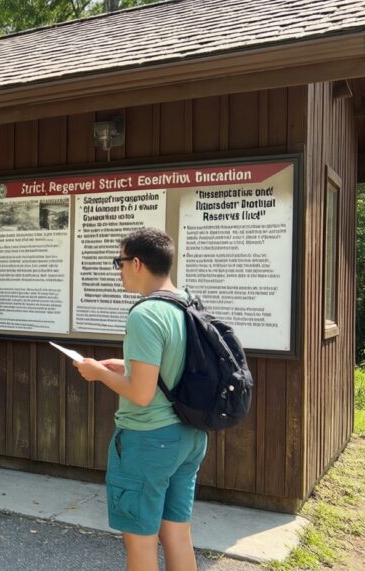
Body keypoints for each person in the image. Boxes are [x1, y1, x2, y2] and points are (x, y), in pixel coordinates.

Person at [73, 228, 208, 571]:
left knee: (141, 540)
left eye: (119, 262)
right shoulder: (187, 301)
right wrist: (123, 365)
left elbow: (141, 393)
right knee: (177, 533)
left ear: (136, 263)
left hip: (149, 440)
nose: (118, 270)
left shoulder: (145, 314)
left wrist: (97, 373)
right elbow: (167, 369)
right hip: (188, 435)